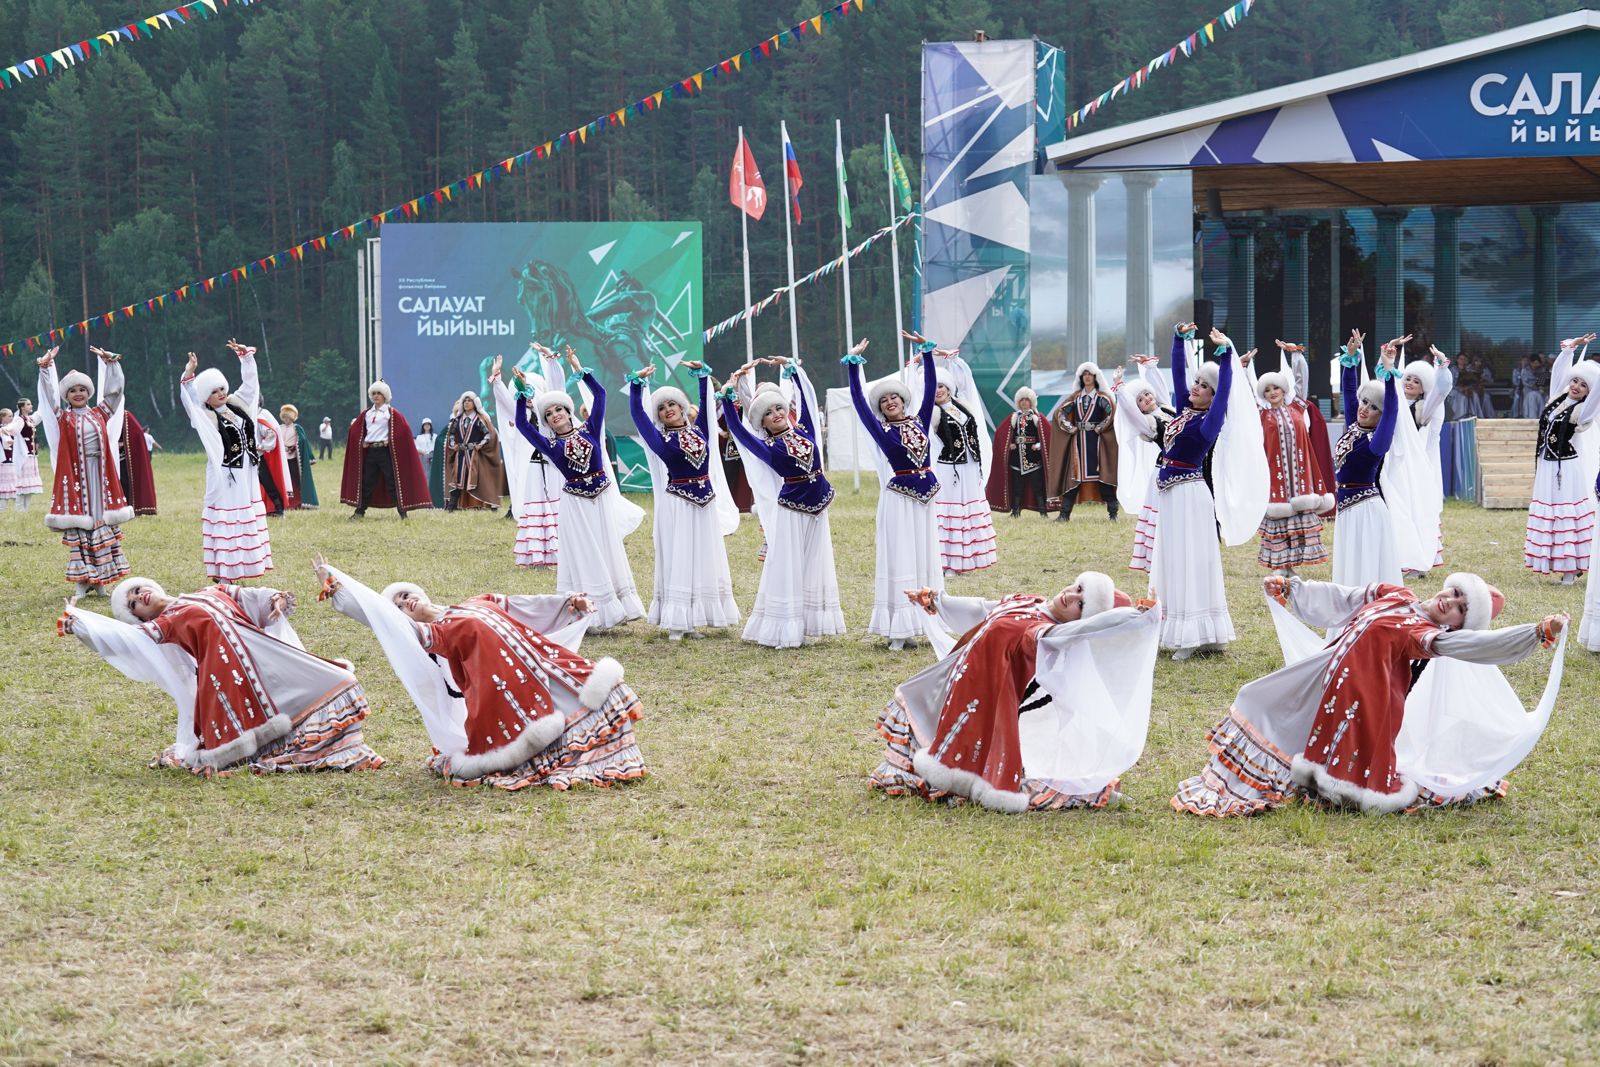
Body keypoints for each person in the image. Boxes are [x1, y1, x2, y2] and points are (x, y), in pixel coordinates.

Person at [1173, 573, 1568, 816]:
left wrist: (1534, 633)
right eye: (1455, 593)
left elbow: (1476, 648)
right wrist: (1294, 591)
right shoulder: (1396, 594)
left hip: (1359, 705)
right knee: (1256, 697)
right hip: (1323, 676)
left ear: (1457, 625)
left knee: (1302, 740)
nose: (1451, 602)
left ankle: (1293, 781)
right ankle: (1259, 775)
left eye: (1460, 609)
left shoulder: (1424, 636)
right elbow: (1343, 598)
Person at [314, 558, 646, 790]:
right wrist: (341, 593)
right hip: (511, 690)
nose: (406, 602)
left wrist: (567, 603)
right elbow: (383, 622)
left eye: (405, 595)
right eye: (399, 605)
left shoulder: (475, 603)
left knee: (602, 693)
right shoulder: (436, 635)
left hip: (543, 665)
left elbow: (523, 605)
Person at [869, 572, 1159, 811]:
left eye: (1081, 605)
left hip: (981, 705)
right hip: (953, 680)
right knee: (915, 705)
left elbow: (1090, 629)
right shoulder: (1027, 601)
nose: (1072, 596)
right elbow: (983, 609)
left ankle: (1086, 793)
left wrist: (1133, 617)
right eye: (1079, 588)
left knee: (964, 762)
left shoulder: (1045, 635)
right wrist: (938, 601)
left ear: (1080, 620)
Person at [60, 577, 384, 776]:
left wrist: (275, 600)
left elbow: (251, 596)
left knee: (340, 680)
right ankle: (294, 747)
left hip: (266, 656)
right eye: (133, 605)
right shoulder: (166, 624)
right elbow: (125, 642)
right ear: (141, 617)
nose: (138, 597)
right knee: (266, 730)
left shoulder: (208, 591)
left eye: (137, 590)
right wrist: (82, 624)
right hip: (229, 681)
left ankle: (334, 742)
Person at [513, 349, 644, 629]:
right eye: (548, 414)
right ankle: (593, 613)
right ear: (547, 422)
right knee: (587, 555)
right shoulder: (549, 445)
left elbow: (601, 397)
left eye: (559, 409)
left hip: (601, 500)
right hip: (577, 506)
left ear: (568, 410)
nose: (555, 414)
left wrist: (579, 368)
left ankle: (619, 607)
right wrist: (523, 394)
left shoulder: (590, 429)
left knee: (608, 550)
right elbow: (523, 424)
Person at [720, 358, 846, 648]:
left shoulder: (805, 430)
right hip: (792, 509)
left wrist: (794, 372)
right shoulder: (767, 447)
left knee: (816, 563)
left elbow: (808, 406)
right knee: (787, 565)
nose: (776, 413)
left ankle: (811, 622)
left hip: (819, 506)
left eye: (779, 408)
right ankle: (784, 627)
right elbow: (738, 432)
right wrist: (727, 400)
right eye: (768, 412)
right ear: (761, 422)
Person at [626, 359, 740, 640]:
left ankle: (700, 615)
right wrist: (636, 386)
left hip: (705, 502)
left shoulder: (701, 430)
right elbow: (639, 415)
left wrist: (703, 376)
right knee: (681, 559)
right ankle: (679, 623)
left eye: (671, 405)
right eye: (662, 409)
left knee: (703, 558)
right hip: (679, 503)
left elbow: (706, 403)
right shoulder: (660, 440)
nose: (667, 410)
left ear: (681, 406)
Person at [842, 338, 941, 649]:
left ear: (903, 400)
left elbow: (930, 388)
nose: (889, 402)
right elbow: (859, 402)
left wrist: (927, 355)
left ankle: (926, 621)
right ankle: (899, 628)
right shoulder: (881, 430)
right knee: (901, 557)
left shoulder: (921, 421)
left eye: (894, 397)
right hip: (899, 499)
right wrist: (854, 366)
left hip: (926, 499)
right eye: (884, 401)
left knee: (925, 556)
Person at [1151, 325, 1236, 659]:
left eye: (1204, 386)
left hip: (1191, 495)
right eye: (1197, 383)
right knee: (1174, 559)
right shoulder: (1183, 411)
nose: (1196, 388)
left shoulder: (1209, 422)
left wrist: (1227, 354)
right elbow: (1176, 372)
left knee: (1192, 560)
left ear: (1213, 396)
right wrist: (1177, 340)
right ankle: (1178, 627)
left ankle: (1193, 635)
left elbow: (1225, 388)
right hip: (1172, 496)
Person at [36, 346, 135, 595]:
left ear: (89, 392)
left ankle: (100, 580)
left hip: (100, 478)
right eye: (72, 390)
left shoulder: (99, 413)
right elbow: (48, 397)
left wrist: (112, 364)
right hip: (78, 480)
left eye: (82, 389)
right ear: (66, 395)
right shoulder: (63, 417)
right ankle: (82, 581)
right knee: (82, 526)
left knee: (101, 524)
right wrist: (46, 369)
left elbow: (116, 393)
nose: (78, 394)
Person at [179, 343, 274, 580]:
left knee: (244, 518)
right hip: (224, 476)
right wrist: (189, 375)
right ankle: (224, 573)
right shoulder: (206, 416)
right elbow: (190, 401)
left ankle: (243, 567)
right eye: (213, 391)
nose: (220, 393)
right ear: (206, 397)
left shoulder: (237, 405)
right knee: (226, 519)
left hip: (246, 473)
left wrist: (246, 359)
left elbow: (251, 388)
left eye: (221, 388)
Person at [1252, 343, 1334, 575]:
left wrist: (1296, 356)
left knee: (1299, 517)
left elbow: (1301, 379)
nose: (1272, 392)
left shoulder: (1297, 406)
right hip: (1276, 476)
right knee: (1279, 517)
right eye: (1267, 390)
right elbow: (1242, 396)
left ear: (1283, 389)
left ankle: (1293, 564)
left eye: (1275, 387)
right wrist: (1240, 367)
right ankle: (1281, 564)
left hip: (1300, 477)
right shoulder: (1261, 414)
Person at [1525, 336, 1599, 584]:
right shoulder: (1557, 397)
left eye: (1584, 385)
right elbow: (1558, 372)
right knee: (1549, 514)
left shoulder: (1584, 411)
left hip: (1566, 468)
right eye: (1575, 380)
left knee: (1567, 515)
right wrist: (1570, 350)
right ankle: (1553, 562)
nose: (1577, 386)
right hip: (1547, 465)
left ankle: (1570, 570)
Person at [1331, 333, 1401, 589]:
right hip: (1346, 510)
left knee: (1367, 572)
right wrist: (1350, 359)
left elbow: (1392, 409)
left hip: (1366, 511)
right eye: (1364, 402)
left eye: (1373, 407)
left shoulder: (1376, 442)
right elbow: (1350, 392)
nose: (1364, 408)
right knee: (1349, 570)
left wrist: (1390, 371)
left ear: (1380, 415)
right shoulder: (1353, 428)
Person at [925, 354, 997, 573]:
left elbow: (967, 381)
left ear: (948, 387)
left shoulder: (963, 406)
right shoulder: (932, 414)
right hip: (949, 469)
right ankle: (948, 562)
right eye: (934, 387)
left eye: (941, 386)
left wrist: (954, 362)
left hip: (970, 467)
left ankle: (971, 558)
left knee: (969, 511)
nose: (938, 390)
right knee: (951, 513)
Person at [489, 356, 561, 568]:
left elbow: (558, 389)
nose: (530, 398)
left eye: (533, 393)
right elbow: (504, 401)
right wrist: (497, 378)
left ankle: (560, 553)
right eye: (525, 394)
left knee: (555, 509)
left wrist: (551, 364)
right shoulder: (520, 415)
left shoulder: (548, 416)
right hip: (530, 468)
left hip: (551, 466)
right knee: (536, 509)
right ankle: (537, 556)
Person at [1113, 357, 1175, 574]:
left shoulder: (1167, 409)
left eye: (1147, 394)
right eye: (1140, 399)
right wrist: (1121, 391)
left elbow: (1161, 389)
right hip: (1167, 470)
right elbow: (1131, 412)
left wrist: (1150, 368)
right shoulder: (1148, 424)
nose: (1147, 399)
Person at [340, 381, 431, 518]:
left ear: (385, 396)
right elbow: (356, 429)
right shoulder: (367, 414)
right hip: (371, 452)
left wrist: (391, 439)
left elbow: (403, 430)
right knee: (367, 482)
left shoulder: (391, 413)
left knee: (393, 481)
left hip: (385, 452)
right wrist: (362, 441)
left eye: (379, 393)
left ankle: (402, 513)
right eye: (374, 393)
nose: (376, 396)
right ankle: (359, 512)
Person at [1046, 362, 1118, 521]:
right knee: (1074, 478)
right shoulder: (1076, 397)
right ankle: (1064, 515)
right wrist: (1069, 427)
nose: (1086, 377)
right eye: (1083, 374)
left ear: (1095, 377)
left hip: (1097, 444)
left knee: (1103, 477)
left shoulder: (1101, 398)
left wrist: (1100, 427)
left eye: (1089, 374)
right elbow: (1060, 413)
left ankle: (1113, 514)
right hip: (1078, 444)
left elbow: (1111, 413)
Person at [986, 387, 1051, 517]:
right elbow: (1001, 433)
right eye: (1022, 400)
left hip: (1033, 459)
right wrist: (1008, 444)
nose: (1024, 402)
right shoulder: (1014, 417)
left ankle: (1043, 512)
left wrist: (1038, 445)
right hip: (1017, 460)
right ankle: (1015, 512)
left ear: (1031, 401)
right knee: (1017, 487)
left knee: (1037, 487)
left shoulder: (1036, 418)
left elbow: (1046, 435)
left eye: (1027, 400)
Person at [442, 391, 503, 511]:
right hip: (460, 455)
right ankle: (451, 508)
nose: (466, 403)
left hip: (475, 456)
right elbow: (452, 435)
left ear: (475, 403)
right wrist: (453, 444)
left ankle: (492, 506)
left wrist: (480, 445)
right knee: (458, 482)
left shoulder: (479, 419)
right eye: (464, 400)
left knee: (482, 480)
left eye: (469, 400)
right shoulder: (457, 420)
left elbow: (488, 435)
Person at [117, 409, 159, 516]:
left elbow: (136, 434)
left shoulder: (125, 416)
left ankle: (129, 507)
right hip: (109, 459)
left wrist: (122, 444)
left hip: (123, 459)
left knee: (125, 482)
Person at [278, 404, 319, 510]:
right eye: (285, 418)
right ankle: (286, 501)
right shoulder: (279, 428)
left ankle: (298, 501)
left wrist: (294, 447)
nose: (286, 420)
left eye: (288, 418)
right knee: (286, 479)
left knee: (295, 479)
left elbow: (303, 441)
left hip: (293, 458)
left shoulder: (297, 428)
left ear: (292, 418)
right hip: (283, 458)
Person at [9, 398, 44, 510]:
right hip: (23, 454)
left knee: (29, 484)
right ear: (22, 407)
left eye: (30, 403)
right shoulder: (19, 419)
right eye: (28, 404)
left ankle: (26, 510)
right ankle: (19, 509)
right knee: (22, 483)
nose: (30, 406)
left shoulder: (30, 418)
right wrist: (4, 429)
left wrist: (45, 399)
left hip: (31, 454)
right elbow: (13, 429)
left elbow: (39, 414)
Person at [0, 407, 15, 509]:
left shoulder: (11, 429)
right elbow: (5, 444)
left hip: (11, 460)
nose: (11, 418)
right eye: (9, 416)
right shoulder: (1, 429)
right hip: (3, 462)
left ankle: (19, 509)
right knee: (3, 484)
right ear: (3, 417)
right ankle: (2, 508)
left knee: (13, 483)